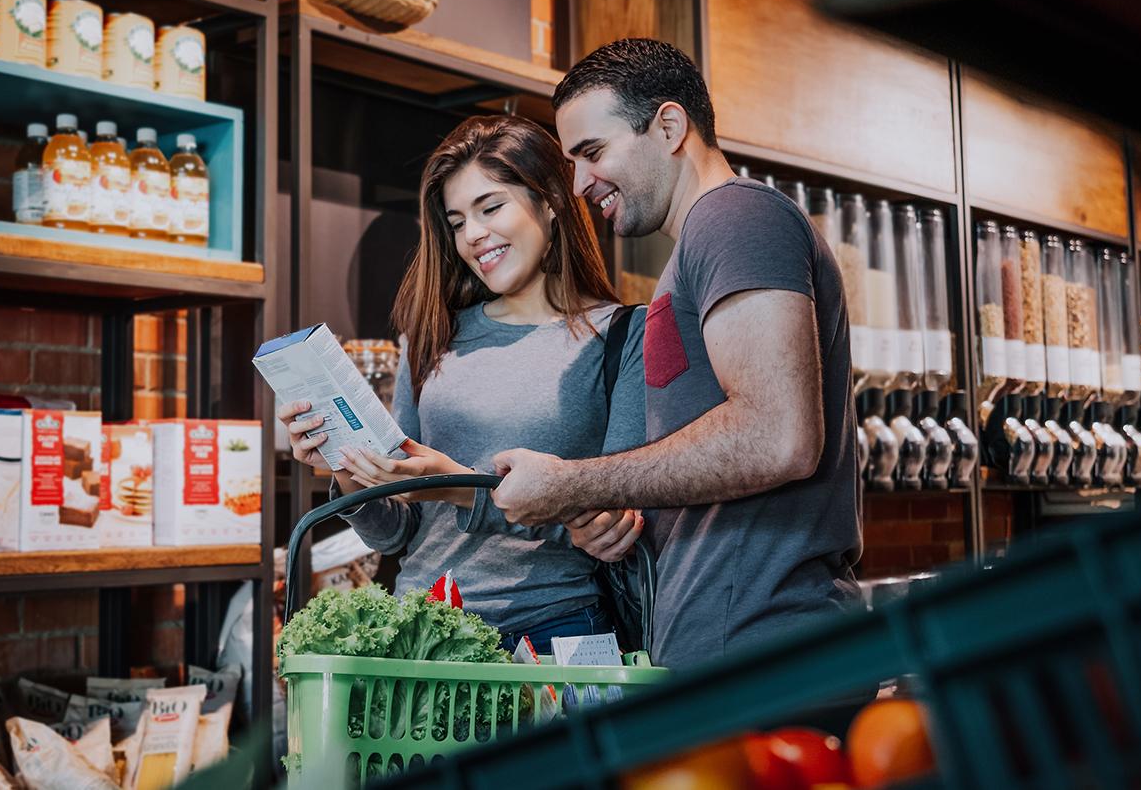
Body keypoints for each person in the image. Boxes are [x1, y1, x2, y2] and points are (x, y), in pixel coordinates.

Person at [490, 39, 863, 667]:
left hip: (768, 650)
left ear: (668, 126)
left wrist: (571, 482)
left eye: (592, 152)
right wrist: (616, 512)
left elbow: (778, 436)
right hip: (723, 646)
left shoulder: (736, 217)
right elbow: (714, 454)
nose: (579, 184)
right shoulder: (693, 250)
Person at [276, 115, 648, 653]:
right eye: (456, 221)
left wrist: (456, 483)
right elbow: (396, 533)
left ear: (551, 203)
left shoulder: (619, 338)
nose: (473, 236)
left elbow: (612, 528)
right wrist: (348, 467)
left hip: (555, 634)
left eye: (490, 207)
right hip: (421, 634)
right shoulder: (431, 336)